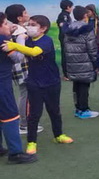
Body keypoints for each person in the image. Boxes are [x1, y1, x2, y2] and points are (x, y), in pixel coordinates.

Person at [2, 15, 74, 155]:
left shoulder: (46, 40)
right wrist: (14, 35)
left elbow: (34, 52)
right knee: (34, 114)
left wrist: (15, 45)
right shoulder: (26, 39)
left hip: (52, 82)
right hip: (34, 83)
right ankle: (32, 142)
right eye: (29, 24)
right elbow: (18, 48)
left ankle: (58, 135)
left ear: (43, 28)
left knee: (54, 111)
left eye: (33, 25)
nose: (30, 27)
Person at [0, 12, 36, 164]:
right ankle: (15, 153)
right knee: (10, 116)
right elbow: (18, 57)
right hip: (2, 85)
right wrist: (20, 38)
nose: (8, 26)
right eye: (5, 24)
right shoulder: (2, 40)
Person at [4, 4, 43, 136]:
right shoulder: (20, 32)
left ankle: (24, 122)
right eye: (25, 13)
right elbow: (20, 54)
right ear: (19, 18)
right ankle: (24, 124)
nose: (28, 14)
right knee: (26, 95)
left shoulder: (15, 29)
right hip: (22, 67)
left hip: (19, 67)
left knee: (25, 94)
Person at [64, 6, 99, 119]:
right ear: (85, 15)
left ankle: (78, 109)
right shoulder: (87, 29)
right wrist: (96, 63)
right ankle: (84, 109)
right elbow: (92, 48)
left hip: (72, 62)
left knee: (76, 86)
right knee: (84, 86)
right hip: (85, 62)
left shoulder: (68, 28)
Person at [56, 0, 73, 79]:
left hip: (65, 37)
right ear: (68, 7)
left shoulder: (65, 15)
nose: (72, 9)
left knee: (67, 54)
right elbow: (62, 25)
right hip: (64, 37)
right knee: (65, 54)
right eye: (71, 7)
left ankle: (68, 72)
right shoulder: (64, 15)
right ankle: (66, 74)